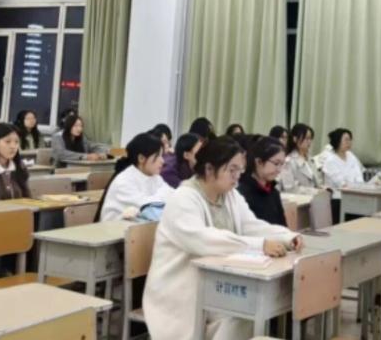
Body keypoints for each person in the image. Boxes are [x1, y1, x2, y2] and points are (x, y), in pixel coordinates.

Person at [142, 136, 301, 340]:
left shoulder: (230, 194)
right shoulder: (184, 198)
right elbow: (204, 240)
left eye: (240, 170)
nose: (237, 177)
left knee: (246, 307)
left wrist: (287, 237)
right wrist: (259, 245)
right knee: (237, 313)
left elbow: (251, 225)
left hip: (216, 281)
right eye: (232, 170)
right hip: (181, 288)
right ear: (209, 169)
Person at [99, 133, 174, 221]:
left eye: (162, 156)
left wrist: (160, 198)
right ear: (141, 158)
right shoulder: (123, 181)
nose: (162, 161)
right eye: (157, 156)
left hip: (140, 226)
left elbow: (173, 196)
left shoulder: (155, 177)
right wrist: (162, 196)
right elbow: (148, 206)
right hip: (114, 228)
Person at [236, 136, 288, 226]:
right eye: (276, 163)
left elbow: (283, 226)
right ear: (259, 162)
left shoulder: (274, 192)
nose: (279, 170)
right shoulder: (241, 194)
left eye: (282, 164)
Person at [321, 128, 365, 223]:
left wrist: (361, 187)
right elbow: (341, 184)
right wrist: (355, 188)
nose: (349, 143)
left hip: (355, 195)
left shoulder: (351, 156)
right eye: (346, 140)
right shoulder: (330, 160)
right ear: (337, 141)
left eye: (350, 140)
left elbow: (359, 176)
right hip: (338, 198)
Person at [279, 124, 319, 193]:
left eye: (310, 138)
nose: (309, 142)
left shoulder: (310, 159)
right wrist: (313, 191)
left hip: (315, 197)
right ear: (295, 139)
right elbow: (289, 188)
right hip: (300, 198)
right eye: (306, 138)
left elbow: (316, 182)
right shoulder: (288, 161)